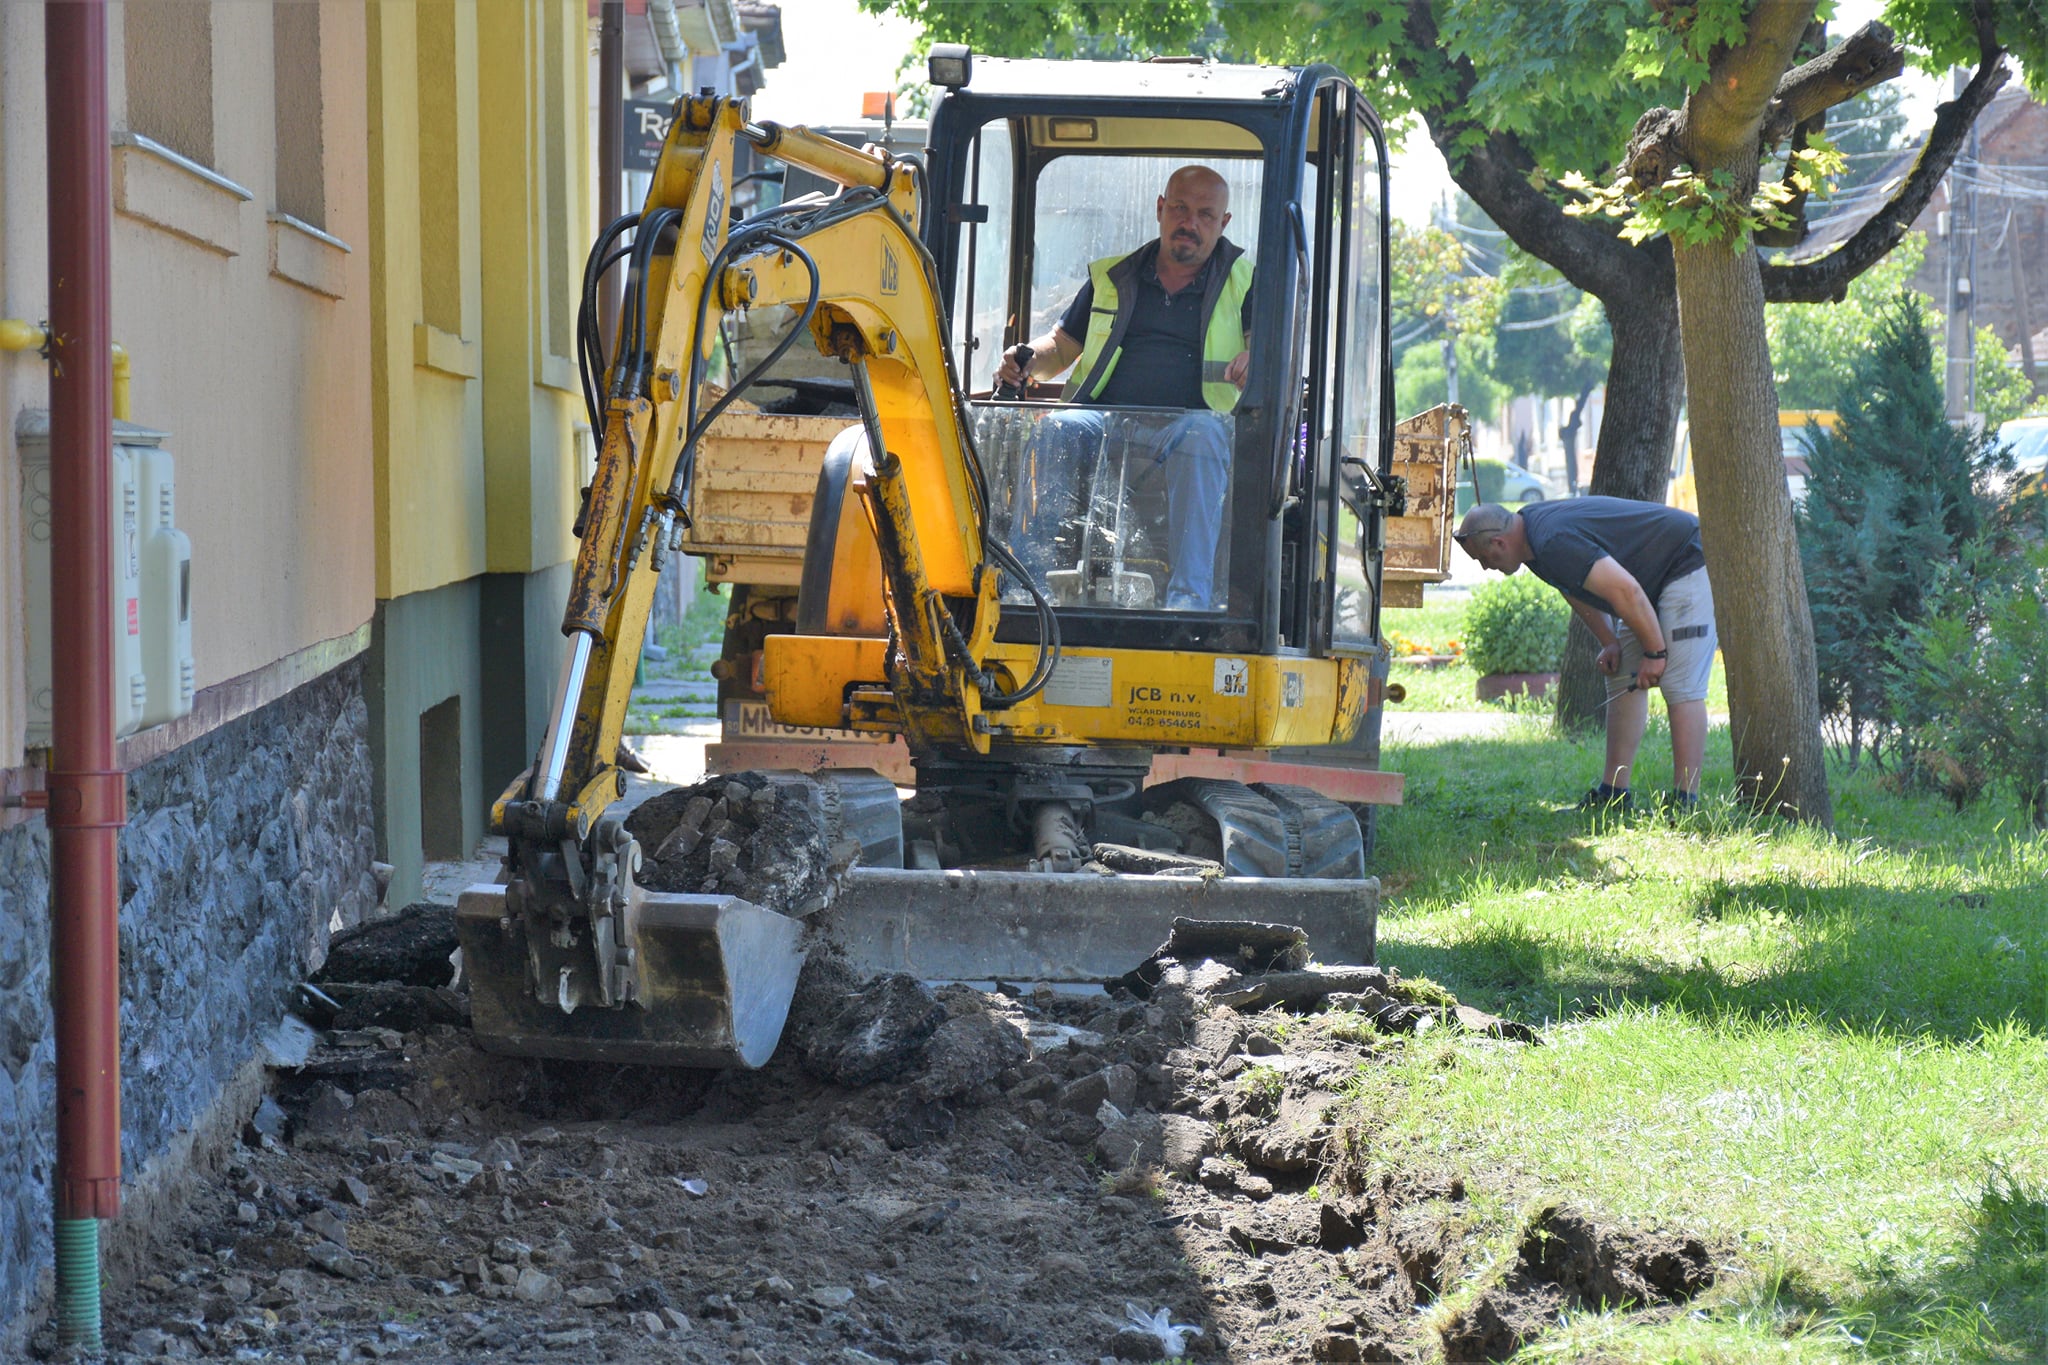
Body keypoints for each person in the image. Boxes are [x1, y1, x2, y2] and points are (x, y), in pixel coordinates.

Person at [994, 165, 1252, 610]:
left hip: (1189, 425)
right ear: (1160, 208)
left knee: (1203, 437)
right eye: (1180, 208)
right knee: (1058, 429)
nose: (1189, 223)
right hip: (1105, 419)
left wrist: (1256, 358)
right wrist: (1027, 358)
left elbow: (1268, 348)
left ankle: (1187, 604)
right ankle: (1030, 591)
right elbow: (1061, 345)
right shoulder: (1113, 277)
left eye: (1205, 214)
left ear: (1224, 222)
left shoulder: (1244, 283)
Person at [1454, 497, 1718, 813]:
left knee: (1680, 685)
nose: (1486, 567)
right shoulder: (1530, 541)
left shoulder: (1552, 540)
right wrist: (1609, 641)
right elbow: (1572, 586)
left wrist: (1656, 652)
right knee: (1623, 675)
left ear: (1499, 542)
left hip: (1686, 561)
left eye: (1484, 559)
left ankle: (1685, 803)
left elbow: (1626, 591)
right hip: (1648, 578)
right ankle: (1614, 794)